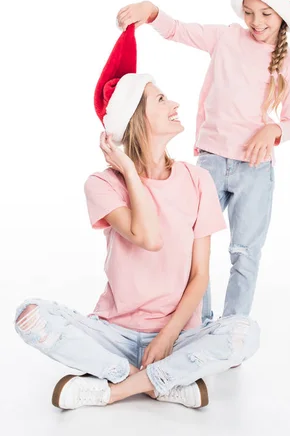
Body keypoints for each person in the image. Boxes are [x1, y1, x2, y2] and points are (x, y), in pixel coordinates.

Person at [14, 24, 260, 410]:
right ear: (137, 118)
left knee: (245, 332)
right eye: (161, 99)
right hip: (114, 331)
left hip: (178, 334)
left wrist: (166, 338)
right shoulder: (102, 184)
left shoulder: (198, 180)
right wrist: (129, 170)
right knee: (29, 314)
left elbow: (200, 276)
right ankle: (161, 383)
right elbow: (149, 237)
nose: (175, 104)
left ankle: (114, 388)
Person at [116, 0, 290, 322]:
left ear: (284, 15)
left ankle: (233, 328)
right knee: (191, 244)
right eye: (249, 13)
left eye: (266, 14)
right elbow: (178, 30)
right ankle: (198, 322)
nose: (256, 22)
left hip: (255, 171)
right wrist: (153, 13)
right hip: (210, 164)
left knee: (245, 251)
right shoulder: (226, 38)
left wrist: (273, 130)